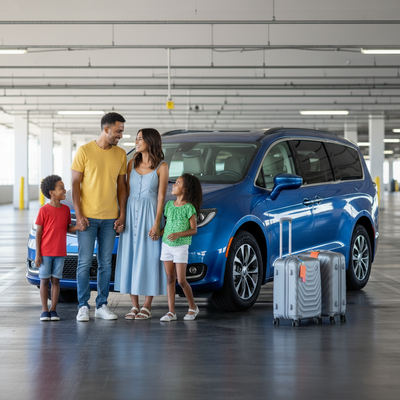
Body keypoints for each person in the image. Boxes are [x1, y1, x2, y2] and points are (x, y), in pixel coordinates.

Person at [71, 112, 127, 322]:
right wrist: (79, 214)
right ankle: (83, 306)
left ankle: (102, 304)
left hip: (110, 219)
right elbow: (75, 184)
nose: (120, 135)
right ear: (106, 129)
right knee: (84, 263)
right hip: (87, 218)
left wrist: (122, 215)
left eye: (121, 131)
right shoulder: (84, 151)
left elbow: (122, 187)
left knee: (106, 263)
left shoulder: (121, 154)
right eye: (118, 131)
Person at [114, 128, 168, 320]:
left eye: (140, 139)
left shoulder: (162, 166)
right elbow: (125, 193)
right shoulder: (131, 164)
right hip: (131, 213)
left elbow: (161, 197)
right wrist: (122, 216)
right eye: (136, 139)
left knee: (149, 257)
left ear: (151, 142)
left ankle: (147, 305)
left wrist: (156, 223)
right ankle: (134, 305)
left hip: (150, 214)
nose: (136, 142)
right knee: (130, 256)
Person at [35, 175, 82, 321]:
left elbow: (66, 228)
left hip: (60, 253)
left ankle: (53, 310)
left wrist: (78, 227)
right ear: (51, 192)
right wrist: (38, 254)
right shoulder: (44, 210)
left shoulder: (66, 210)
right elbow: (39, 233)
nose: (65, 190)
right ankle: (44, 310)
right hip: (45, 253)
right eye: (61, 188)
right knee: (44, 281)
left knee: (56, 281)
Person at [160, 173, 203, 322]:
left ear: (185, 189)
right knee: (170, 278)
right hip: (166, 245)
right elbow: (167, 226)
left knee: (181, 280)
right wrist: (157, 233)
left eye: (177, 183)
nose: (173, 185)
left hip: (180, 247)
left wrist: (178, 234)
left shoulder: (189, 208)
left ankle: (193, 306)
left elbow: (194, 230)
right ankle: (171, 312)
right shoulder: (169, 205)